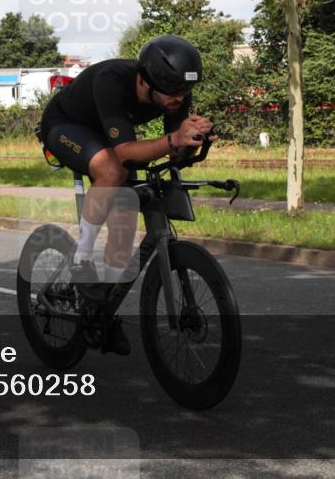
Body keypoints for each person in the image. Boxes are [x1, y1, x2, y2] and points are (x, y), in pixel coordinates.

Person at [37, 35, 214, 355]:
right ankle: (81, 259)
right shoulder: (112, 81)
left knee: (128, 210)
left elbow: (173, 149)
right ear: (144, 81)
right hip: (65, 125)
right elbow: (126, 153)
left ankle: (102, 309)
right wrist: (173, 139)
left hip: (108, 132)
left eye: (185, 91)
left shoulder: (176, 93)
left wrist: (193, 141)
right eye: (172, 92)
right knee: (113, 171)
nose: (179, 98)